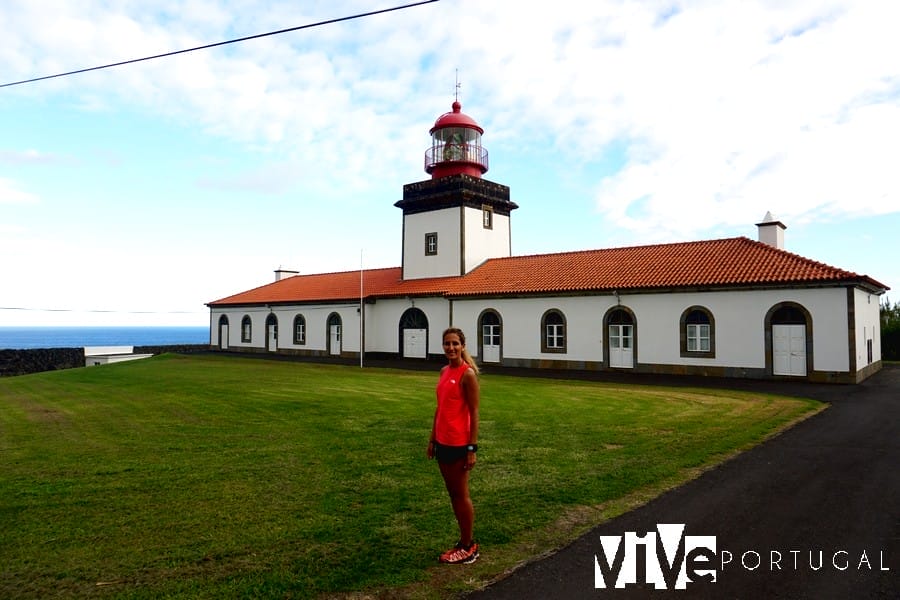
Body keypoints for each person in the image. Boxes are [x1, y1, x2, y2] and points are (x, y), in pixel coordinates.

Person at [427, 327, 481, 564]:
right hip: (442, 442)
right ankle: (463, 542)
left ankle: (468, 546)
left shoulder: (467, 374)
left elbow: (474, 412)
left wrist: (472, 448)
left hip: (459, 444)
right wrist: (432, 439)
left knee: (461, 495)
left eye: (455, 344)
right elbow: (440, 409)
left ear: (462, 346)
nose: (451, 348)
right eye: (447, 344)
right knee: (453, 495)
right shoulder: (443, 371)